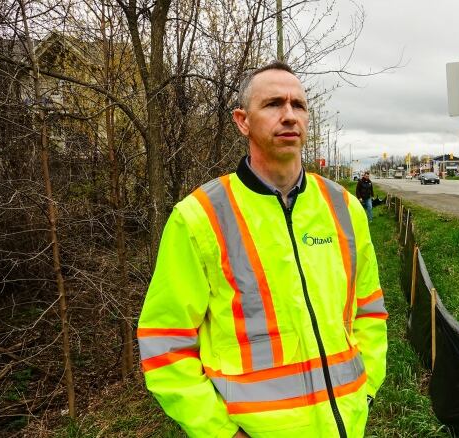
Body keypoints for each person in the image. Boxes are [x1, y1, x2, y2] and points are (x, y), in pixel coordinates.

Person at [137, 61, 388, 438]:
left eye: (298, 105)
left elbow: (370, 309)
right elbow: (165, 342)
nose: (289, 116)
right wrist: (221, 432)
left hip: (347, 426)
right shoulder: (199, 217)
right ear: (242, 121)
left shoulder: (344, 208)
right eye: (273, 104)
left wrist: (366, 391)